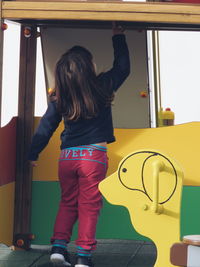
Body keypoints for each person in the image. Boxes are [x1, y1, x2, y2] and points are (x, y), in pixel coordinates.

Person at [28, 23, 130, 267]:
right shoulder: (102, 85)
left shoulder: (58, 96)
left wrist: (33, 152)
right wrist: (118, 36)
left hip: (68, 157)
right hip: (93, 157)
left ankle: (59, 248)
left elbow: (46, 127)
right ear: (90, 68)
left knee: (67, 202)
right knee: (89, 205)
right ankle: (84, 256)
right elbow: (123, 68)